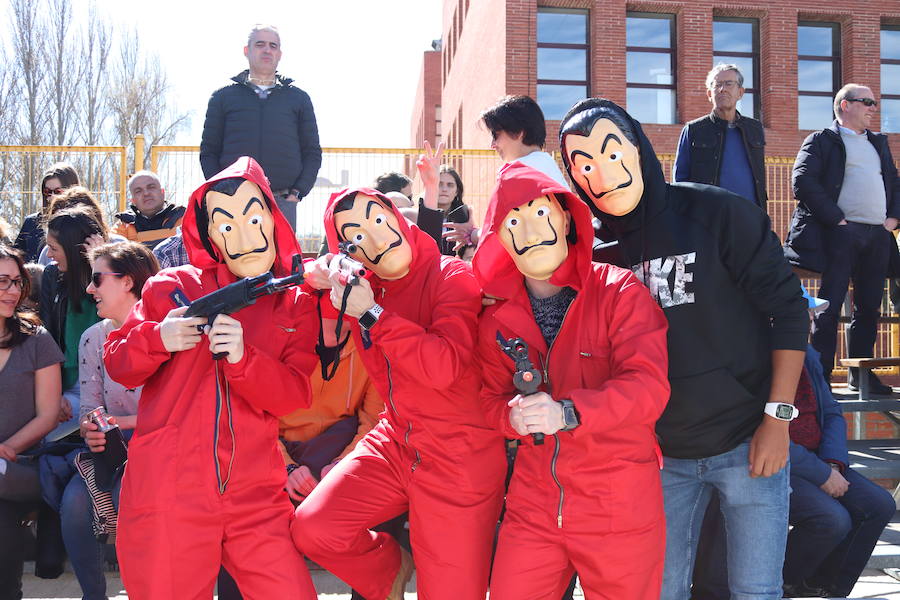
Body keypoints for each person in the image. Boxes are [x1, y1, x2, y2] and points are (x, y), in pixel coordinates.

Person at [558, 98, 808, 600]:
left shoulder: (717, 212)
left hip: (747, 442)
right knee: (659, 590)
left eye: (611, 151)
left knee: (756, 591)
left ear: (639, 148)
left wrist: (778, 421)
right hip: (656, 458)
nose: (601, 172)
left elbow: (789, 312)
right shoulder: (591, 255)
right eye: (582, 164)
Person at [103, 157, 319, 599]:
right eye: (225, 223)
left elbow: (294, 395)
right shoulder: (171, 284)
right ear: (207, 231)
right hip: (170, 488)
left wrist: (245, 360)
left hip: (256, 494)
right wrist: (158, 337)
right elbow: (120, 363)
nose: (240, 233)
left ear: (271, 220)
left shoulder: (292, 301)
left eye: (252, 217)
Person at [292, 187, 506, 600]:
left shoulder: (451, 275)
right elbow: (309, 275)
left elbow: (443, 367)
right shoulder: (362, 284)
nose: (374, 235)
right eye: (356, 234)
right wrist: (320, 269)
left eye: (378, 218)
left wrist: (373, 314)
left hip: (461, 455)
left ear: (397, 217)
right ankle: (390, 571)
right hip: (396, 438)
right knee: (314, 527)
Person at [475, 162, 670, 599]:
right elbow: (487, 400)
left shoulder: (618, 291)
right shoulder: (496, 320)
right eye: (513, 222)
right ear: (500, 239)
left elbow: (649, 388)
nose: (529, 230)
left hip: (618, 502)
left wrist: (567, 411)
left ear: (565, 217)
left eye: (540, 213)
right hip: (533, 504)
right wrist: (511, 419)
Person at [785, 83, 900, 395]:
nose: (873, 108)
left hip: (877, 235)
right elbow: (803, 181)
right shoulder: (822, 140)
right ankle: (820, 377)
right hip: (840, 234)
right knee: (829, 305)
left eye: (874, 103)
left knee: (869, 308)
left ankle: (861, 376)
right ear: (845, 105)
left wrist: (892, 219)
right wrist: (836, 218)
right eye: (867, 102)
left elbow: (894, 181)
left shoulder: (878, 143)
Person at [59, 241, 158, 600]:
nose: (89, 289)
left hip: (159, 450)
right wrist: (91, 427)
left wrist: (118, 422)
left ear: (128, 282)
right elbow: (91, 406)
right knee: (72, 505)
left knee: (124, 497)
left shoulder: (165, 332)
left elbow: (171, 414)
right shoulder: (93, 338)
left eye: (97, 279)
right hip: (113, 452)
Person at [782, 292, 895, 598]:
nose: (809, 319)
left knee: (878, 504)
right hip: (778, 463)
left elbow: (831, 411)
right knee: (831, 518)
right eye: (802, 311)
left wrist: (832, 464)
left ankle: (824, 587)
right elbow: (767, 434)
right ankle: (781, 585)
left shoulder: (808, 355)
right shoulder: (758, 356)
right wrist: (820, 474)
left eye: (810, 313)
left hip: (819, 459)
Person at [200, 24, 322, 231]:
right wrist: (220, 189)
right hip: (234, 199)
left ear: (280, 54)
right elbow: (209, 151)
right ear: (247, 51)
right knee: (238, 262)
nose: (267, 50)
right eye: (260, 44)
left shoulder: (298, 98)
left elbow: (312, 152)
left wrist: (297, 193)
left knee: (283, 264)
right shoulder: (223, 97)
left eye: (273, 46)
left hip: (283, 201)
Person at [0, 244, 64, 598]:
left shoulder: (36, 340)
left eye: (17, 282)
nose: (12, 291)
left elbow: (48, 414)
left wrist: (7, 448)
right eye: (3, 281)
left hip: (21, 467)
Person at [41, 206, 107, 433]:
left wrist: (100, 263)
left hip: (107, 387)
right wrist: (52, 395)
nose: (48, 255)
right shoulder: (52, 275)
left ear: (72, 249)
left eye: (53, 248)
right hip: (65, 385)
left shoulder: (115, 273)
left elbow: (126, 315)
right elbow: (47, 335)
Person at [673, 64, 767, 210]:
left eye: (729, 84)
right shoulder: (694, 130)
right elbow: (680, 180)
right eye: (717, 85)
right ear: (709, 94)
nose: (723, 89)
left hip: (751, 216)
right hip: (708, 218)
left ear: (740, 92)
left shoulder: (754, 128)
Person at [14, 163, 81, 263]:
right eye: (47, 191)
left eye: (58, 192)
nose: (52, 197)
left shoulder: (81, 224)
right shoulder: (31, 222)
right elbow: (16, 258)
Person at [113, 171, 185, 248]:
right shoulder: (124, 225)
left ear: (162, 192)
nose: (146, 193)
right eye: (138, 191)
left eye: (151, 187)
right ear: (133, 201)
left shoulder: (184, 218)